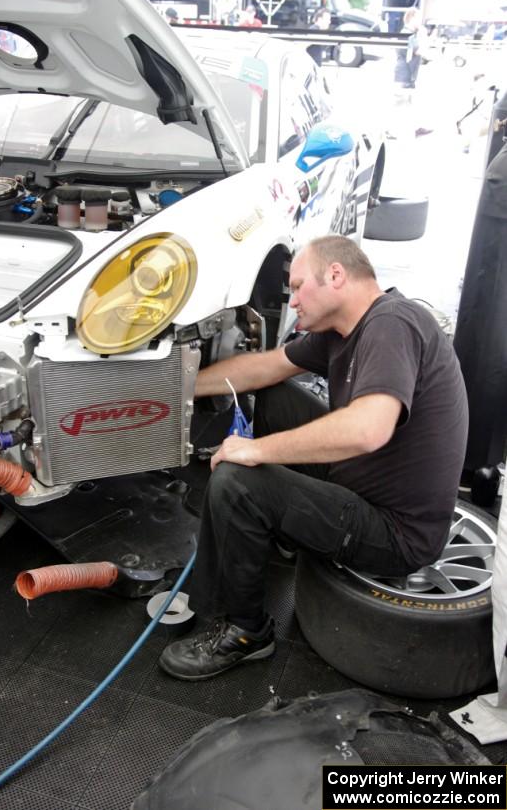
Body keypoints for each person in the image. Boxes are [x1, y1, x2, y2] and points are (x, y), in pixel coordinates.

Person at [159, 235, 469, 681]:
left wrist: (255, 449)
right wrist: (177, 386)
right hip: (363, 480)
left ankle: (245, 631)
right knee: (273, 394)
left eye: (299, 285)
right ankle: (277, 527)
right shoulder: (346, 329)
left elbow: (368, 428)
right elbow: (264, 368)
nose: (293, 299)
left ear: (336, 276)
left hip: (396, 531)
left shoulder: (393, 324)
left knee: (235, 481)